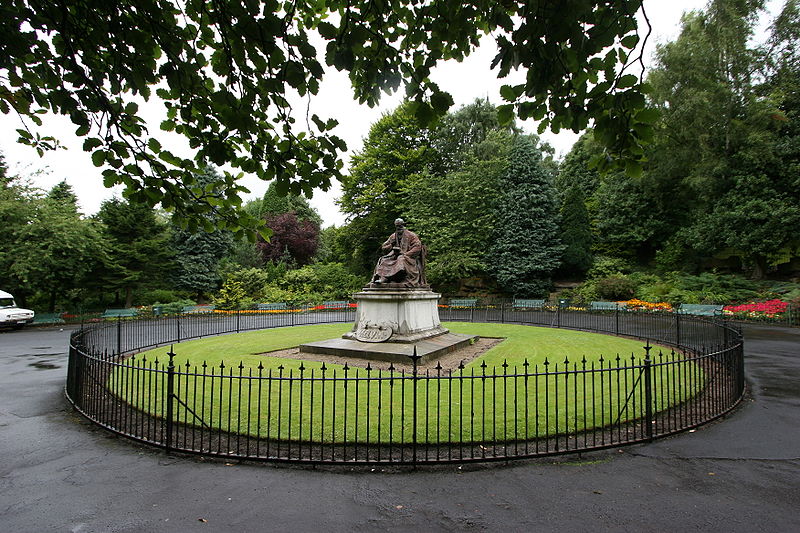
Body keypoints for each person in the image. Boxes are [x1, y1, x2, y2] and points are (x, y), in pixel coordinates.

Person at [370, 218, 427, 287]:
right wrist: (391, 245)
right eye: (397, 226)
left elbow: (417, 247)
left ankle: (393, 278)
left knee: (401, 259)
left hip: (408, 257)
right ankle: (383, 278)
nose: (399, 228)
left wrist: (406, 254)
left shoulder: (412, 235)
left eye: (400, 226)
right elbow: (384, 247)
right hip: (395, 256)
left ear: (403, 225)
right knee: (384, 260)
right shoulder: (393, 236)